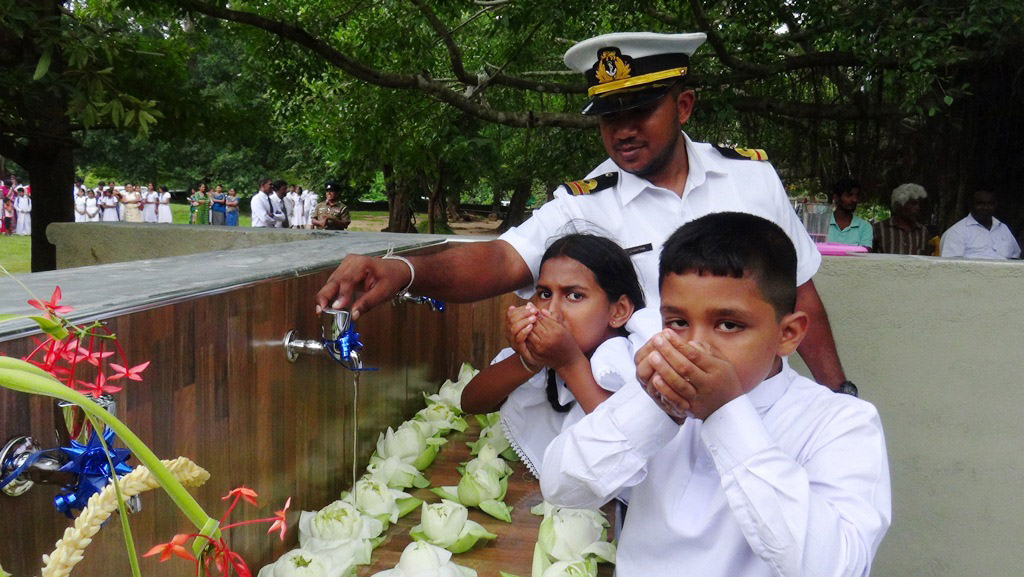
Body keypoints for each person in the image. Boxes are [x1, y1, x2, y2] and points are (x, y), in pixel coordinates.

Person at [316, 31, 851, 391]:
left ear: (683, 106)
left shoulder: (751, 178)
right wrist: (405, 271)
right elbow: (503, 261)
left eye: (640, 110)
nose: (623, 129)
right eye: (607, 115)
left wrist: (836, 397)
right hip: (651, 431)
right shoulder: (584, 203)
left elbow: (800, 291)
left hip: (761, 410)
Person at [540, 212, 891, 577]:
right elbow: (562, 486)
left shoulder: (841, 423)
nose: (695, 346)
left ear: (788, 334)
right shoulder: (654, 398)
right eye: (677, 322)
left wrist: (725, 413)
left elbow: (837, 567)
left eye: (728, 325)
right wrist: (654, 408)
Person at [461, 233, 644, 475]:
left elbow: (625, 440)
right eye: (545, 294)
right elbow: (472, 402)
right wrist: (528, 361)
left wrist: (569, 363)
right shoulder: (545, 360)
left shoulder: (630, 362)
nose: (551, 311)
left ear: (619, 311)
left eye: (574, 296)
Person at [939, 189, 1020, 259]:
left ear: (996, 205)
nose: (985, 207)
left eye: (990, 204)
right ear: (970, 204)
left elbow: (1015, 257)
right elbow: (949, 267)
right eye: (980, 203)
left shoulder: (1003, 229)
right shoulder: (956, 232)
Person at [872, 183, 929, 255]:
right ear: (898, 205)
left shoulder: (922, 232)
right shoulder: (879, 229)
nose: (917, 208)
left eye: (918, 204)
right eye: (912, 203)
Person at [826, 177, 872, 248]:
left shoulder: (864, 227)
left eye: (856, 196)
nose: (854, 199)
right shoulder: (822, 223)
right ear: (836, 197)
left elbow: (865, 255)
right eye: (849, 195)